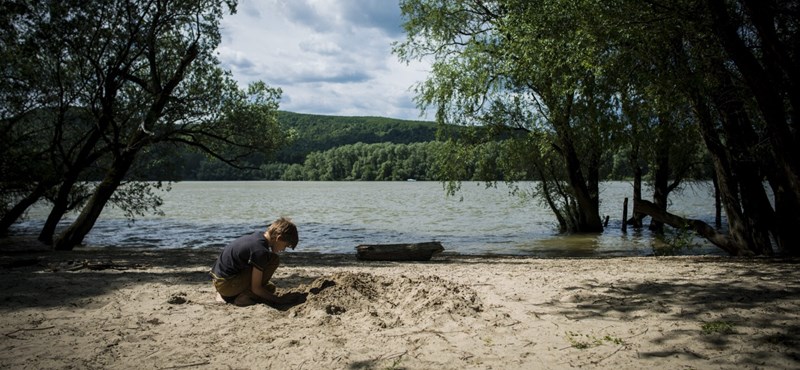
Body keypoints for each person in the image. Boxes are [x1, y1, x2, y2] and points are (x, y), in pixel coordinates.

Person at [210, 217, 306, 307]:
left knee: (270, 288)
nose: (283, 249)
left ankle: (225, 295)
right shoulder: (260, 251)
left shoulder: (257, 237)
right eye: (285, 246)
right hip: (226, 285)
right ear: (279, 238)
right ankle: (242, 298)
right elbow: (256, 289)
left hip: (218, 280)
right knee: (273, 260)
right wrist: (279, 300)